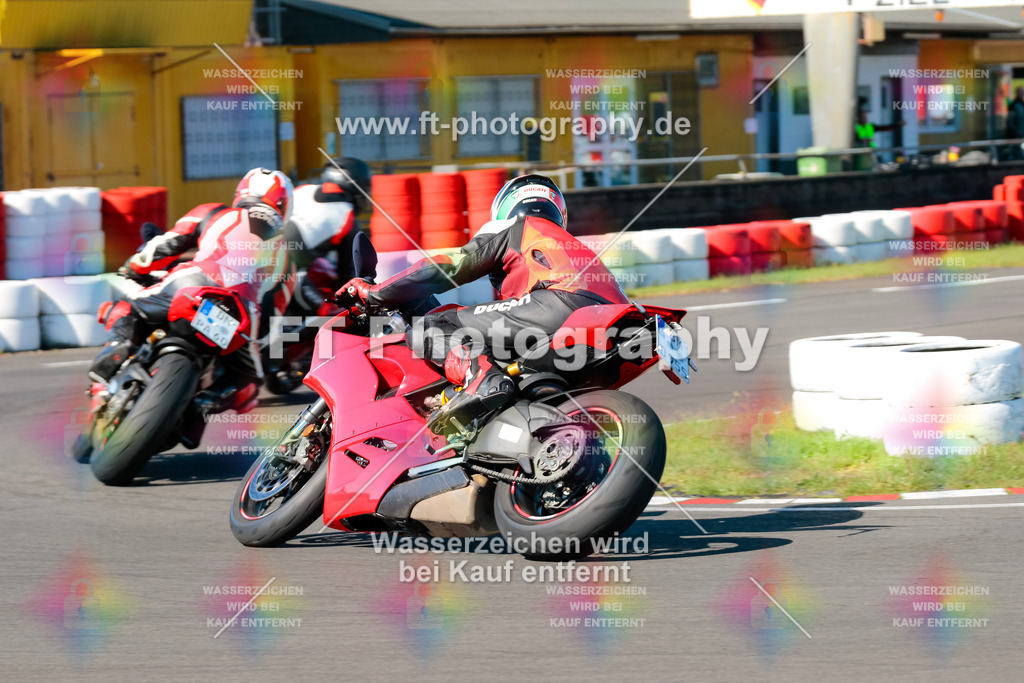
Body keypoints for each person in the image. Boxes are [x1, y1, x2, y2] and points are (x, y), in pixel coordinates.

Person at [340, 174, 629, 434]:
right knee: (497, 356)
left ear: (506, 207)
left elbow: (451, 266)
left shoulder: (517, 227)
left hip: (558, 305)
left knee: (433, 326)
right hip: (610, 328)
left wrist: (374, 292)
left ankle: (482, 381)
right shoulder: (570, 246)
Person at [89, 168, 296, 412]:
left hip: (191, 284)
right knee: (248, 384)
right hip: (242, 314)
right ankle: (208, 400)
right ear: (284, 205)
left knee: (124, 307)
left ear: (241, 192)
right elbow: (271, 323)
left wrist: (133, 267)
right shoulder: (289, 260)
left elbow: (164, 246)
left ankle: (117, 350)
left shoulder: (215, 212)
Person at [1005, 87, 1024, 160]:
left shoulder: (1021, 105)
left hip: (1021, 134)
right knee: (1015, 155)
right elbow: (1011, 121)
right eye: (1021, 92)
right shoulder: (1014, 105)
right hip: (1016, 135)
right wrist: (1013, 133)